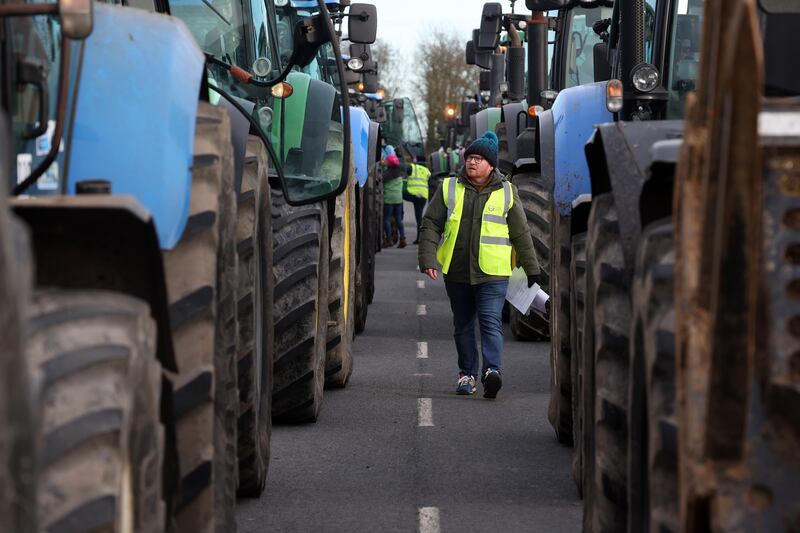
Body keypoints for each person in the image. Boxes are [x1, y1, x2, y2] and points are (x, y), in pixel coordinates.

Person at [417, 131, 541, 398]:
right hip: (457, 271)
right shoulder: (449, 187)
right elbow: (431, 224)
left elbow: (521, 233)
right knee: (463, 325)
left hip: (493, 273)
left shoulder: (508, 192)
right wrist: (427, 258)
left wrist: (532, 268)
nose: (471, 162)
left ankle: (492, 371)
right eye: (469, 157)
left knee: (490, 321)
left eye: (478, 158)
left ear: (491, 165)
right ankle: (467, 375)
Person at [403, 156, 431, 244]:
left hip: (413, 194)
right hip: (423, 197)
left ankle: (420, 238)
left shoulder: (412, 167)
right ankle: (420, 238)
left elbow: (404, 171)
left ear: (417, 160)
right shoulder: (427, 171)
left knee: (400, 194)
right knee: (419, 217)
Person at [383, 153, 406, 248]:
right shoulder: (399, 172)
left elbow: (380, 180)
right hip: (399, 200)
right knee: (398, 220)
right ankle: (403, 239)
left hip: (389, 200)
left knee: (386, 220)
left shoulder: (387, 174)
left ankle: (389, 239)